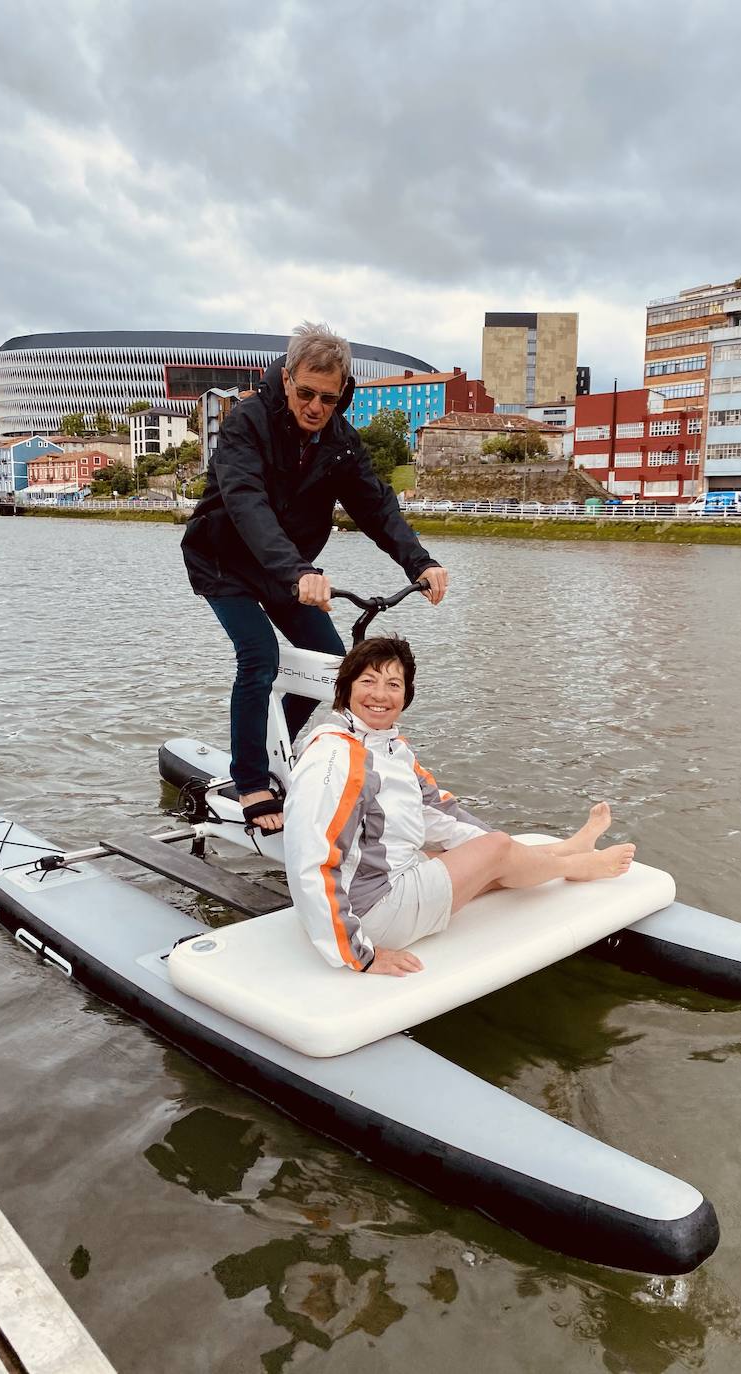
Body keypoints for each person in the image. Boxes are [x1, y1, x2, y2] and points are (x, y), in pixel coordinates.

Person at [181, 322, 448, 834]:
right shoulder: (247, 425)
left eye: (328, 398)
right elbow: (247, 504)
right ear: (285, 380)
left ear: (341, 393)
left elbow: (375, 507)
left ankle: (277, 747)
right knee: (258, 655)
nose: (315, 407)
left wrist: (420, 562)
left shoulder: (340, 442)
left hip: (288, 567)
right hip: (224, 560)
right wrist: (299, 570)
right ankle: (252, 780)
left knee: (332, 668)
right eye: (306, 393)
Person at [283, 636, 637, 977]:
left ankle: (564, 849)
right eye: (368, 681)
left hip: (385, 879)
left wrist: (496, 850)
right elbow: (310, 859)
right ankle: (577, 866)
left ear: (406, 695)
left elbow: (437, 812)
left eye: (393, 684)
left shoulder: (389, 746)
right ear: (345, 688)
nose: (380, 694)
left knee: (490, 855)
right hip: (369, 915)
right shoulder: (335, 758)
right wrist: (359, 954)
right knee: (495, 850)